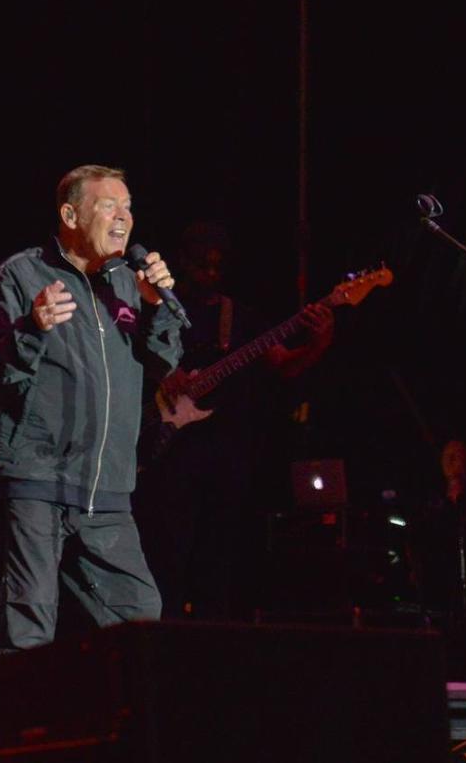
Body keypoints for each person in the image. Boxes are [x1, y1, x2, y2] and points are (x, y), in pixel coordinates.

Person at [0, 164, 183, 653]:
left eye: (128, 206)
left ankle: (121, 726)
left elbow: (165, 362)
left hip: (106, 489)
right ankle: (15, 727)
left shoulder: (130, 283)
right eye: (108, 205)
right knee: (29, 629)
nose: (123, 217)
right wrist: (31, 328)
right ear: (70, 214)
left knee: (140, 618)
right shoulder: (23, 274)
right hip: (36, 480)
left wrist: (156, 305)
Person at [134, 220, 334, 621]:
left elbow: (285, 365)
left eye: (216, 267)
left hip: (226, 457)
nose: (209, 274)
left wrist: (320, 340)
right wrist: (162, 370)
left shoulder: (239, 317)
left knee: (219, 559)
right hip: (170, 455)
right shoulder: (155, 310)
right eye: (200, 265)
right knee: (166, 557)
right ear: (182, 263)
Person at [405, 439, 466, 631]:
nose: (450, 459)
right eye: (447, 455)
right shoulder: (432, 504)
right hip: (437, 595)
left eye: (457, 454)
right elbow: (415, 540)